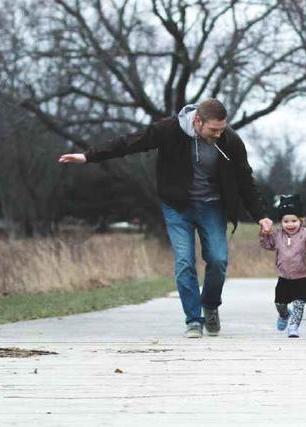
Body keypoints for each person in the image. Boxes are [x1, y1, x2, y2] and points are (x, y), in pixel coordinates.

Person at [59, 99, 273, 338]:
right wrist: (89, 156)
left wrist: (261, 216)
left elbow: (245, 179)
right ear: (197, 121)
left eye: (222, 129)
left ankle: (210, 305)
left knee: (218, 260)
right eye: (213, 130)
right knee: (184, 262)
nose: (218, 134)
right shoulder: (169, 130)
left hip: (212, 206)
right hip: (177, 207)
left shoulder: (229, 140)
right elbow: (130, 142)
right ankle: (193, 320)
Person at [259, 194, 306, 338]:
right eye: (286, 221)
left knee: (299, 304)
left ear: (301, 220)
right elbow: (267, 245)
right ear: (281, 222)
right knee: (280, 303)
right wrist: (264, 234)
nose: (290, 224)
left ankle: (293, 327)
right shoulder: (278, 235)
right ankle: (284, 314)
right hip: (284, 277)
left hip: (303, 277)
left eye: (294, 221)